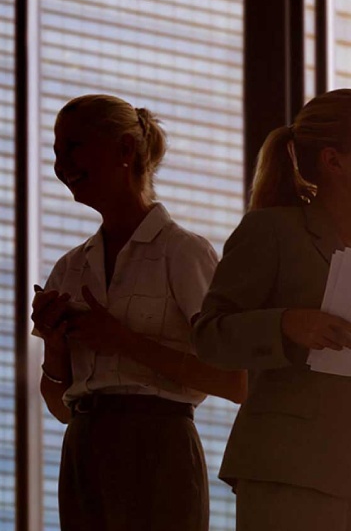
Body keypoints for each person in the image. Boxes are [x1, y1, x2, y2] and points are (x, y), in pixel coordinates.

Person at [193, 88, 351, 531]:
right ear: (333, 161)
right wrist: (287, 325)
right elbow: (208, 336)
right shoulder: (271, 232)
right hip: (287, 476)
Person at [30, 94, 248, 531]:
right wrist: (56, 345)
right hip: (83, 451)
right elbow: (60, 405)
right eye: (56, 151)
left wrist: (122, 341)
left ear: (126, 150)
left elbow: (237, 382)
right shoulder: (69, 268)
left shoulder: (183, 253)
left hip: (160, 448)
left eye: (73, 146)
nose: (61, 164)